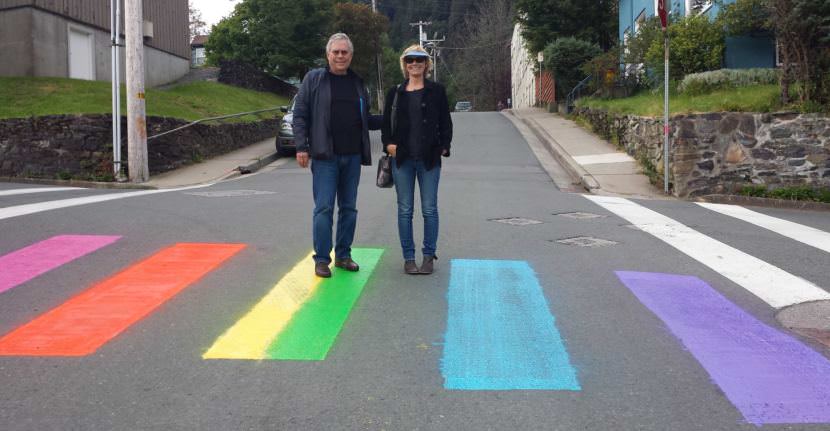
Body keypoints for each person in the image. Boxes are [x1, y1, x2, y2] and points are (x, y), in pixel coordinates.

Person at [293, 33, 381, 278]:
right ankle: (322, 259)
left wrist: (396, 120)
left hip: (352, 156)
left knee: (349, 209)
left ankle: (343, 256)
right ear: (328, 55)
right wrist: (301, 146)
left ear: (350, 56)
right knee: (323, 208)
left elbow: (367, 119)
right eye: (336, 52)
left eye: (345, 52)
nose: (340, 56)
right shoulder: (314, 80)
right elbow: (300, 115)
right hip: (325, 157)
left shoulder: (358, 82)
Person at [381, 45, 452, 275]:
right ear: (405, 64)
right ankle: (408, 258)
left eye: (419, 60)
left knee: (430, 209)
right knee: (405, 210)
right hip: (402, 160)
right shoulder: (395, 92)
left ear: (426, 64)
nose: (415, 63)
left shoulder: (437, 91)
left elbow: (446, 122)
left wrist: (443, 146)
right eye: (410, 60)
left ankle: (428, 256)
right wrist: (388, 145)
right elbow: (385, 125)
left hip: (429, 160)